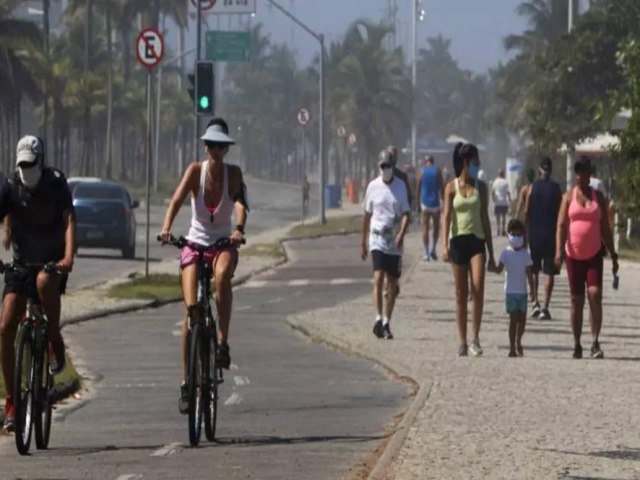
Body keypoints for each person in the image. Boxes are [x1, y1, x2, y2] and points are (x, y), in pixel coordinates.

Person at [160, 118, 248, 413]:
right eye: (211, 145)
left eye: (220, 145)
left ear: (226, 149)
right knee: (191, 311)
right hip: (194, 243)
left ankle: (222, 342)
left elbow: (240, 203)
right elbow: (176, 199)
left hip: (222, 243)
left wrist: (239, 228)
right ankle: (187, 383)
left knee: (222, 276)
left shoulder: (233, 174)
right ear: (205, 146)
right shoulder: (195, 171)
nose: (215, 150)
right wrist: (166, 227)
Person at [0, 135, 75, 431]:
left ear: (40, 162)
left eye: (31, 164)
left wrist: (68, 256)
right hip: (21, 264)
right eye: (22, 165)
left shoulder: (56, 183)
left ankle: (54, 339)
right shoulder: (10, 187)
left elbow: (70, 219)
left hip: (51, 261)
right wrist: (5, 234)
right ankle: (11, 400)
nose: (27, 169)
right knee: (6, 325)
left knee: (45, 283)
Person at [555, 156, 618, 359]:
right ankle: (576, 343)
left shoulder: (598, 197)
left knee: (594, 294)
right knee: (576, 300)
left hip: (594, 254)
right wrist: (558, 251)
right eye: (580, 172)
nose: (582, 176)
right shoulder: (568, 197)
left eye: (586, 171)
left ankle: (595, 341)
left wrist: (613, 253)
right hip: (573, 255)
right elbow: (561, 226)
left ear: (589, 174)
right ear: (577, 175)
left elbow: (605, 228)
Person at [442, 142, 496, 356]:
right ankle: (462, 340)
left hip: (477, 241)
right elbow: (446, 217)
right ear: (465, 163)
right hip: (457, 241)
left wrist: (491, 252)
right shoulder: (450, 187)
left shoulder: (481, 188)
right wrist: (444, 246)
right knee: (460, 293)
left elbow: (485, 218)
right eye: (475, 163)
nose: (477, 166)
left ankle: (476, 338)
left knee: (478, 285)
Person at [361, 150, 410, 340]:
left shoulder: (400, 187)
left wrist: (401, 234)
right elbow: (366, 216)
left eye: (388, 166)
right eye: (382, 166)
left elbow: (406, 214)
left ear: (393, 167)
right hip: (377, 240)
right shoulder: (373, 186)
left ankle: (387, 321)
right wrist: (363, 242)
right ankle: (377, 318)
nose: (385, 170)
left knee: (392, 283)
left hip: (394, 243)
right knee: (378, 276)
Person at [524, 157, 562, 320]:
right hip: (551, 235)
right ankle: (545, 307)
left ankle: (535, 302)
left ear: (540, 170)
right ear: (551, 170)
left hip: (535, 234)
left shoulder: (533, 188)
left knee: (534, 270)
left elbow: (526, 211)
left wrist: (524, 233)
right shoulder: (556, 189)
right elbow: (561, 213)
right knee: (549, 272)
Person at [494, 219, 534, 357]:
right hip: (510, 292)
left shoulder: (525, 254)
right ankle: (512, 347)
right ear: (508, 235)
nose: (516, 238)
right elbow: (499, 269)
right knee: (513, 320)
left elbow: (529, 273)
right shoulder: (506, 253)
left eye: (519, 235)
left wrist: (533, 290)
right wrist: (492, 266)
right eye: (514, 235)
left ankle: (518, 341)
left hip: (522, 292)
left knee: (522, 321)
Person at [416, 156, 443, 261]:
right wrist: (444, 200)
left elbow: (418, 187)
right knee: (436, 228)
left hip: (425, 204)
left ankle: (426, 252)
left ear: (425, 161)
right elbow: (441, 186)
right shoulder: (437, 171)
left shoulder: (421, 171)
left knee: (425, 229)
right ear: (433, 161)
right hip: (435, 203)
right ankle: (434, 248)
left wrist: (418, 204)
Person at [491, 169, 511, 236]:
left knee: (498, 217)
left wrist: (493, 199)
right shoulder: (505, 182)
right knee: (504, 217)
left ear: (498, 174)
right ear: (503, 174)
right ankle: (503, 230)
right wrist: (510, 199)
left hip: (497, 202)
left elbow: (493, 192)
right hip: (504, 202)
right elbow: (508, 192)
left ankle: (498, 230)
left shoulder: (495, 181)